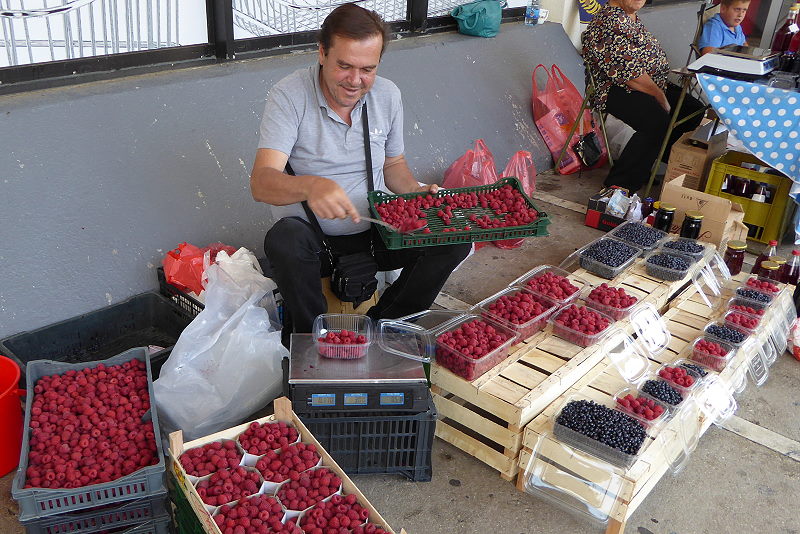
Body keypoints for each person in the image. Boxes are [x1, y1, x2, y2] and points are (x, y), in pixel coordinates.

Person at [251, 4, 471, 340]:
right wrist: (310, 186)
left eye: (367, 69)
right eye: (344, 66)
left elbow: (394, 166)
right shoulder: (289, 95)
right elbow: (262, 182)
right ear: (322, 52)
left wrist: (417, 192)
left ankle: (386, 327)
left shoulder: (387, 95)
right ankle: (312, 340)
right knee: (284, 240)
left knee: (452, 238)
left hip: (376, 232)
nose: (356, 81)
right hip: (314, 244)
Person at [582, 0, 705, 193]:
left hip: (647, 85)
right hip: (614, 89)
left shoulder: (630, 17)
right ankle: (620, 184)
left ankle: (645, 162)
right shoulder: (609, 21)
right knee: (656, 121)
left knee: (693, 110)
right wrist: (659, 95)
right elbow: (628, 73)